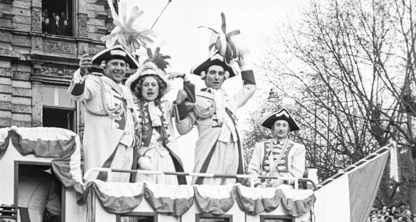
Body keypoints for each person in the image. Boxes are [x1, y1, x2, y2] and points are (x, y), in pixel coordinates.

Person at [175, 52, 256, 185]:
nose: (216, 77)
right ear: (204, 75)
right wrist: (180, 105)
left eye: (220, 73)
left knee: (231, 186)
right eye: (212, 72)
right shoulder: (197, 98)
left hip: (233, 146)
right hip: (210, 145)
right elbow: (183, 129)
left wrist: (243, 64)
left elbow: (250, 88)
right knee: (206, 184)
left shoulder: (231, 100)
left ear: (225, 77)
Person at [68, 46, 138, 182]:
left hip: (127, 147)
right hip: (105, 146)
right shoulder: (95, 81)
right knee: (100, 186)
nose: (119, 68)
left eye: (122, 65)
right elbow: (78, 94)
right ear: (104, 67)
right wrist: (81, 73)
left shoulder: (126, 91)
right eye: (115, 64)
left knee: (122, 190)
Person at [126, 61, 186, 184]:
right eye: (146, 85)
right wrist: (140, 159)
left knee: (170, 192)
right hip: (144, 158)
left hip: (165, 158)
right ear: (140, 88)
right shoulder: (132, 107)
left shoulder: (167, 106)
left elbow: (189, 104)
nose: (150, 88)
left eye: (153, 85)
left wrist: (185, 78)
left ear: (159, 89)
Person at [248, 107, 306, 187]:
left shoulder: (298, 148)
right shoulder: (260, 146)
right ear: (272, 128)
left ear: (288, 129)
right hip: (262, 186)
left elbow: (297, 172)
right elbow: (252, 170)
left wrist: (282, 180)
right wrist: (257, 184)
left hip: (285, 187)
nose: (281, 128)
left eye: (284, 125)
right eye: (278, 125)